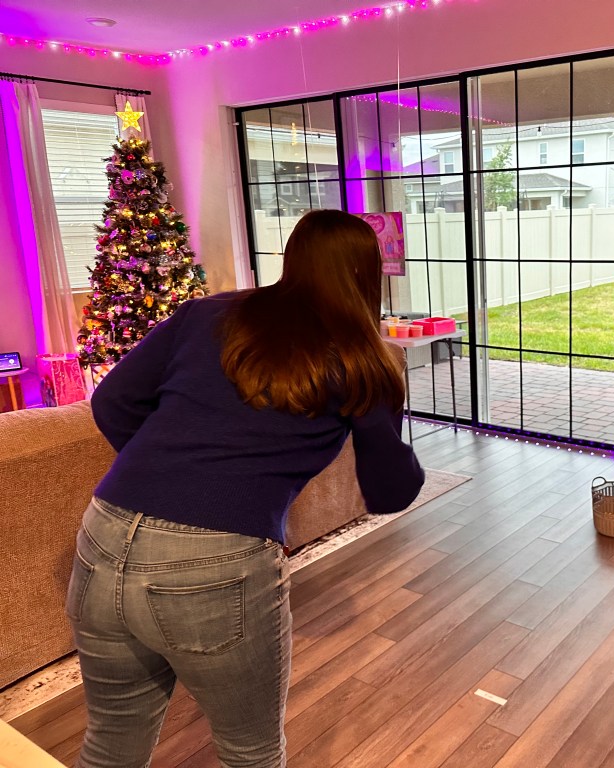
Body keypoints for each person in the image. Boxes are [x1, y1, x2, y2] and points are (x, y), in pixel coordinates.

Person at [66, 210, 424, 767]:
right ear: (368, 274)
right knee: (250, 752)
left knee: (111, 740)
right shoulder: (363, 359)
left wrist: (170, 475)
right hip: (215, 563)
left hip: (104, 532)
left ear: (293, 259)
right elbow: (389, 492)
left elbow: (112, 402)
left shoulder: (205, 313)